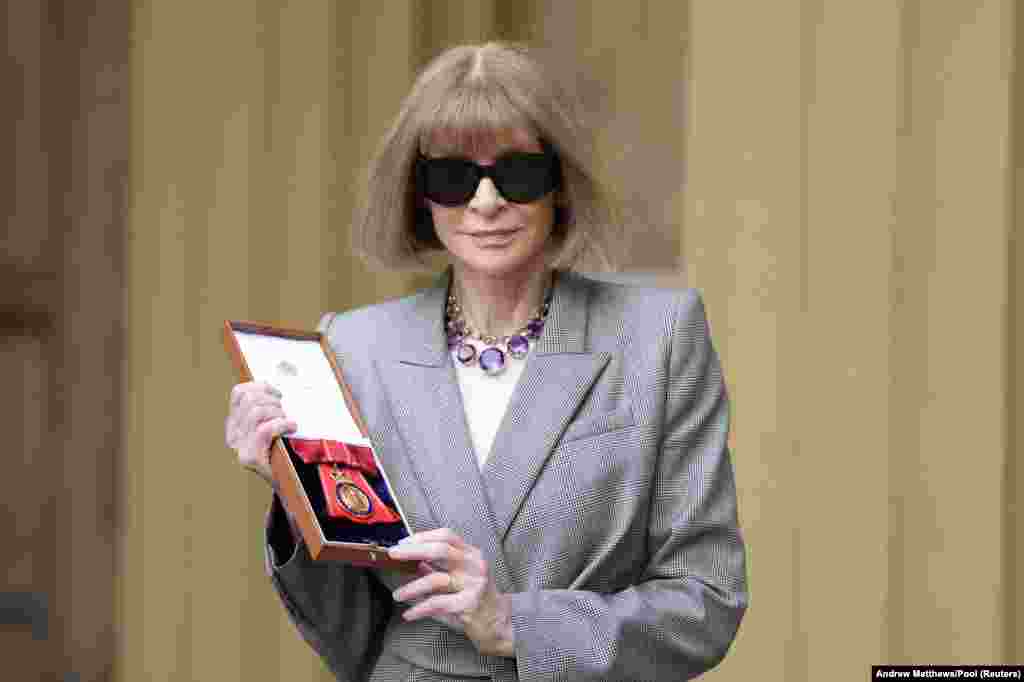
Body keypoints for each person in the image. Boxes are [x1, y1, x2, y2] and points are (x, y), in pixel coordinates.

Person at [225, 42, 748, 682]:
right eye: (453, 177)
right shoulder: (352, 348)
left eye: (519, 173)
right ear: (420, 195)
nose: (486, 201)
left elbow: (707, 599)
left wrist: (515, 625)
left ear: (561, 183)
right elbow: (352, 638)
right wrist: (292, 490)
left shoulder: (658, 339)